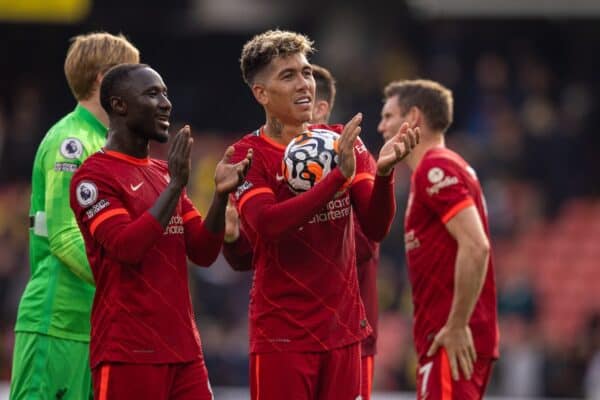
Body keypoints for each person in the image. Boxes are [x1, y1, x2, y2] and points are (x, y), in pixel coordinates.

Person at [228, 29, 418, 400]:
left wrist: (383, 174)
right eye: (288, 76)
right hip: (282, 334)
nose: (304, 84)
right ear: (261, 94)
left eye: (307, 72)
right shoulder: (246, 155)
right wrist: (335, 179)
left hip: (342, 331)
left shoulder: (342, 141)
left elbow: (376, 226)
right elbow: (268, 226)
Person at [69, 63, 252, 399]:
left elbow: (202, 251)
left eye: (165, 93)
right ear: (119, 105)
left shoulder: (163, 174)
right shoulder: (93, 177)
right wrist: (177, 184)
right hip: (129, 352)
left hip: (184, 352)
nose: (166, 103)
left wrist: (220, 194)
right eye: (152, 94)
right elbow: (127, 247)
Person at [11, 32, 140, 400]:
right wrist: (128, 281)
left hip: (97, 326)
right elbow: (65, 236)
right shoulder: (71, 141)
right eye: (130, 73)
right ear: (104, 78)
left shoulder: (111, 145)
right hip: (56, 323)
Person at [378, 79, 498, 399]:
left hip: (452, 339)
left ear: (413, 117)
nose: (381, 127)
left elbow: (476, 246)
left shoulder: (435, 167)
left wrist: (457, 325)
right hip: (444, 338)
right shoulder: (439, 169)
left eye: (388, 116)